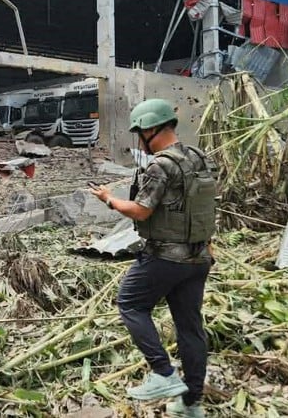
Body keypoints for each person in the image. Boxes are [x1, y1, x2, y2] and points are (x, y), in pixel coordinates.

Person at [89, 99, 216, 418]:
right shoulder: (198, 158)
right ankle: (192, 405)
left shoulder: (161, 165)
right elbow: (200, 208)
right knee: (190, 328)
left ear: (150, 129)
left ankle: (163, 374)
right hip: (199, 257)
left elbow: (142, 209)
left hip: (164, 256)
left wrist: (109, 200)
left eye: (139, 131)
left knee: (130, 303)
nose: (139, 137)